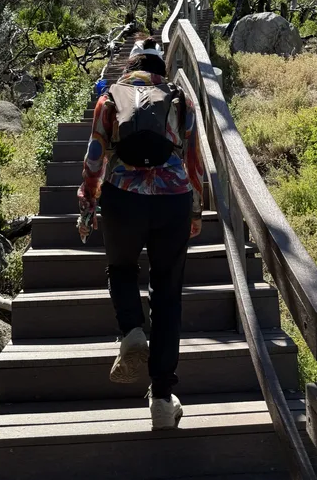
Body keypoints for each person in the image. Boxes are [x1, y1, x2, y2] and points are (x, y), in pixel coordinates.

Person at [77, 37, 204, 431]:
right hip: (173, 199)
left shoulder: (110, 98)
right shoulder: (181, 98)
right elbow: (193, 158)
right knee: (168, 295)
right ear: (159, 68)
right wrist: (196, 209)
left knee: (120, 269)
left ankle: (132, 330)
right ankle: (163, 400)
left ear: (129, 65)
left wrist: (87, 205)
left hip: (123, 198)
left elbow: (94, 158)